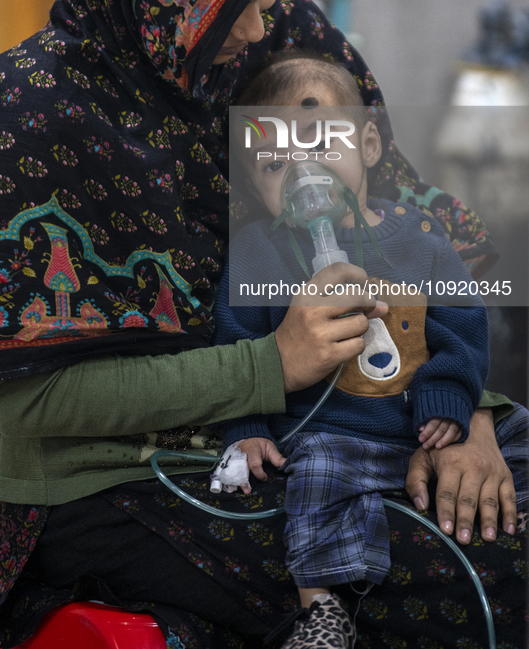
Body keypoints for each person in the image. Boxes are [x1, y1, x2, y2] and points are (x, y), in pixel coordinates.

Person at [0, 0, 524, 649]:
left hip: (352, 416)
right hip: (125, 476)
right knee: (481, 565)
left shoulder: (283, 42)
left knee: (503, 496)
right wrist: (270, 362)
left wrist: (463, 419)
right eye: (238, 5)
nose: (259, 29)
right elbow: (36, 404)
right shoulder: (44, 111)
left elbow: (410, 244)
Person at [212, 54, 508, 646]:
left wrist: (450, 395)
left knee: (521, 435)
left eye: (322, 147)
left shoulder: (421, 238)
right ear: (252, 185)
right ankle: (322, 609)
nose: (304, 175)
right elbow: (237, 345)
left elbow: (461, 322)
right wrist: (245, 428)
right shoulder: (258, 254)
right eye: (275, 164)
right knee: (314, 478)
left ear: (369, 144)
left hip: (422, 431)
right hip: (332, 437)